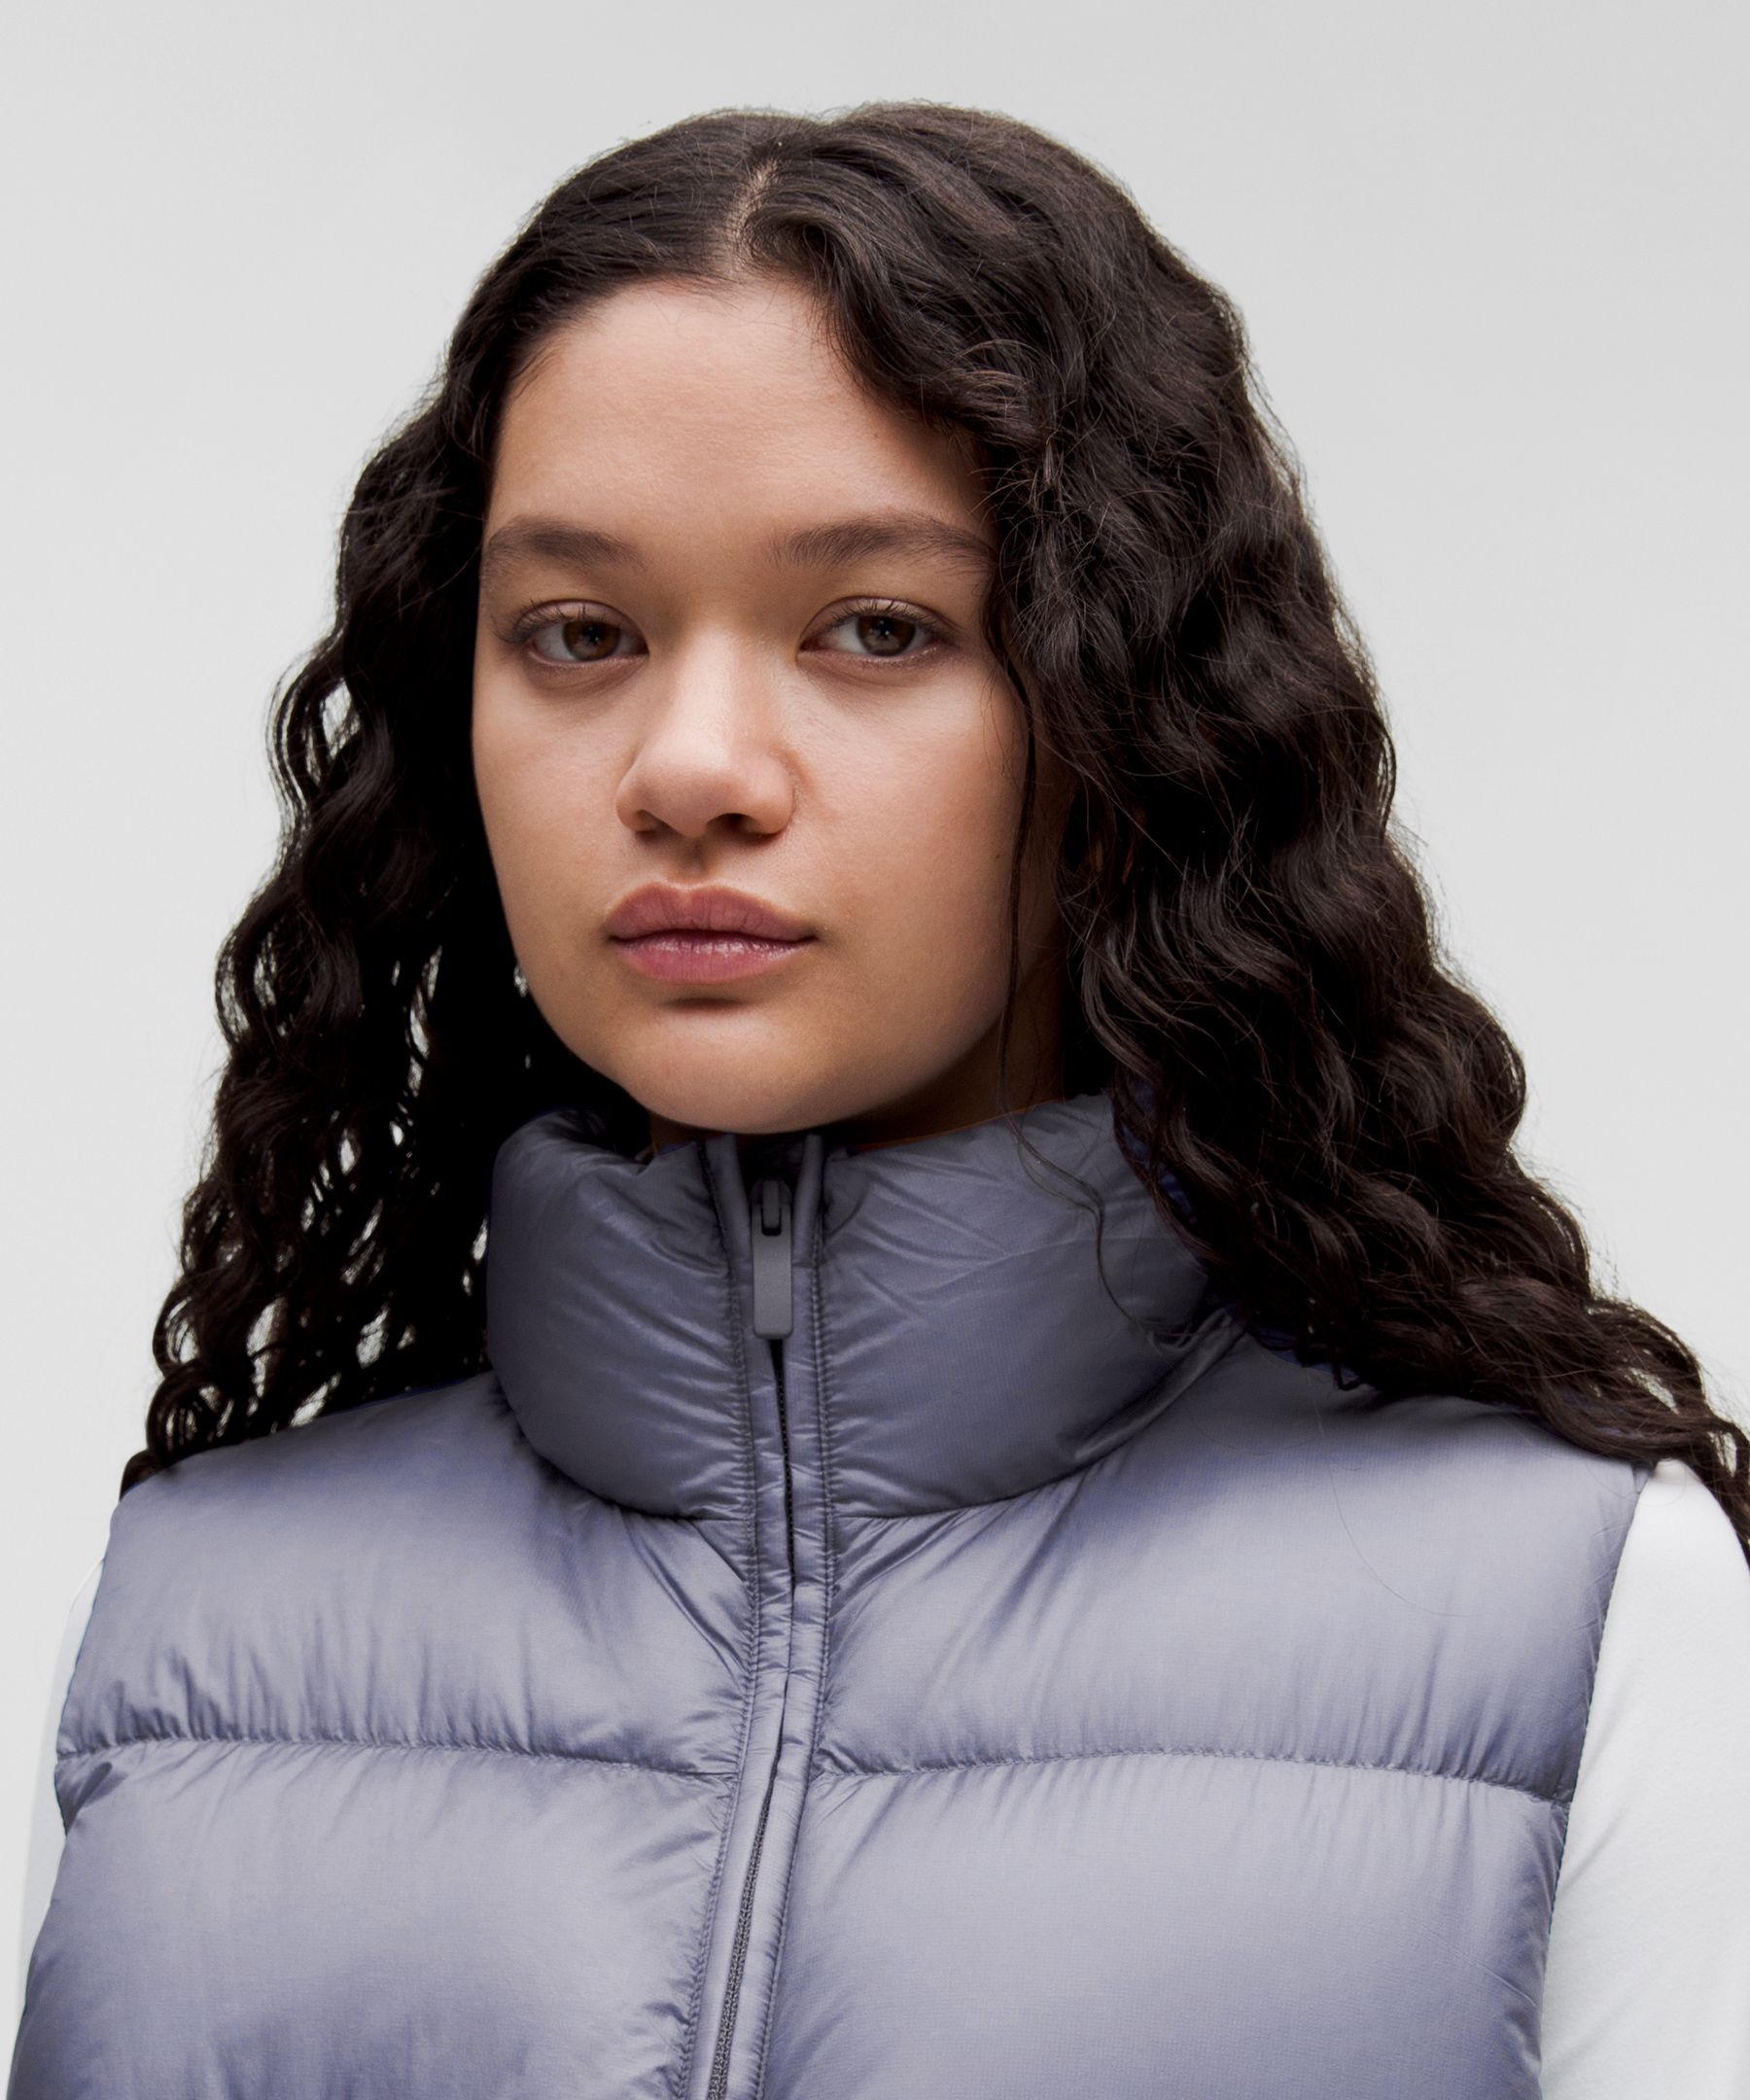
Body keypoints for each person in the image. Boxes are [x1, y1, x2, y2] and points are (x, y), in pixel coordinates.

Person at [10, 101, 1749, 2100]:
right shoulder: (182, 1638)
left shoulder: (1579, 1615)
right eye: (578, 634)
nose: (691, 767)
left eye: (877, 628)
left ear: (1124, 717)